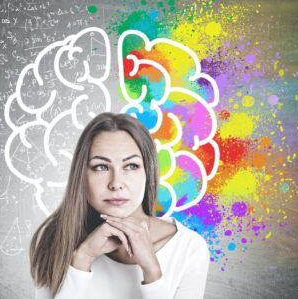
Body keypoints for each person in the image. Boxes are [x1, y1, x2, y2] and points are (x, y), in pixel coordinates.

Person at [31, 112, 210, 299]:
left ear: (148, 172)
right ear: (81, 175)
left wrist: (152, 271)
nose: (116, 183)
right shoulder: (55, 239)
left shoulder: (189, 248)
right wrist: (82, 258)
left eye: (131, 166)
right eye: (101, 167)